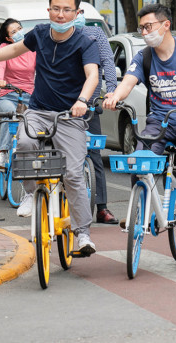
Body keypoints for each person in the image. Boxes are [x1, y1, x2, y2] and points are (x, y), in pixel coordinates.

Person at [0, 0, 100, 254]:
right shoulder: (39, 34)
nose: (60, 15)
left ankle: (83, 233)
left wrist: (82, 101)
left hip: (69, 116)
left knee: (73, 173)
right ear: (49, 10)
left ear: (77, 12)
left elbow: (92, 75)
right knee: (24, 145)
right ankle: (28, 193)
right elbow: (13, 51)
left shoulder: (86, 42)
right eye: (56, 9)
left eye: (67, 10)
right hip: (38, 111)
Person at [103, 3, 176, 273]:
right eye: (141, 28)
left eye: (148, 26)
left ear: (166, 25)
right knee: (138, 164)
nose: (144, 32)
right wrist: (115, 96)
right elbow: (128, 80)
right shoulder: (144, 57)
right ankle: (139, 210)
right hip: (159, 123)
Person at [72, 15, 119, 224]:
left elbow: (108, 61)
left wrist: (112, 91)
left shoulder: (95, 34)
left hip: (90, 106)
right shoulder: (54, 35)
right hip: (63, 107)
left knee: (95, 156)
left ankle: (102, 208)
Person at [0, 18, 36, 168]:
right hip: (8, 95)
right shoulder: (5, 48)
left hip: (29, 95)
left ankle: (33, 153)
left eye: (19, 28)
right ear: (8, 38)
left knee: (36, 122)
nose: (18, 33)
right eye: (14, 32)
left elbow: (43, 68)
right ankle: (3, 152)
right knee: (10, 114)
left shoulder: (32, 48)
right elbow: (0, 67)